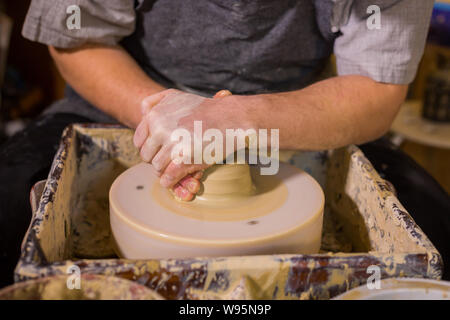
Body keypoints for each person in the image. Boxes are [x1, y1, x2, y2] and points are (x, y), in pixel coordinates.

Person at [1, 0, 447, 289]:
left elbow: (375, 85)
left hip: (299, 115)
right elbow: (77, 39)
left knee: (436, 234)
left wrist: (244, 119)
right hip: (127, 103)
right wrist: (167, 119)